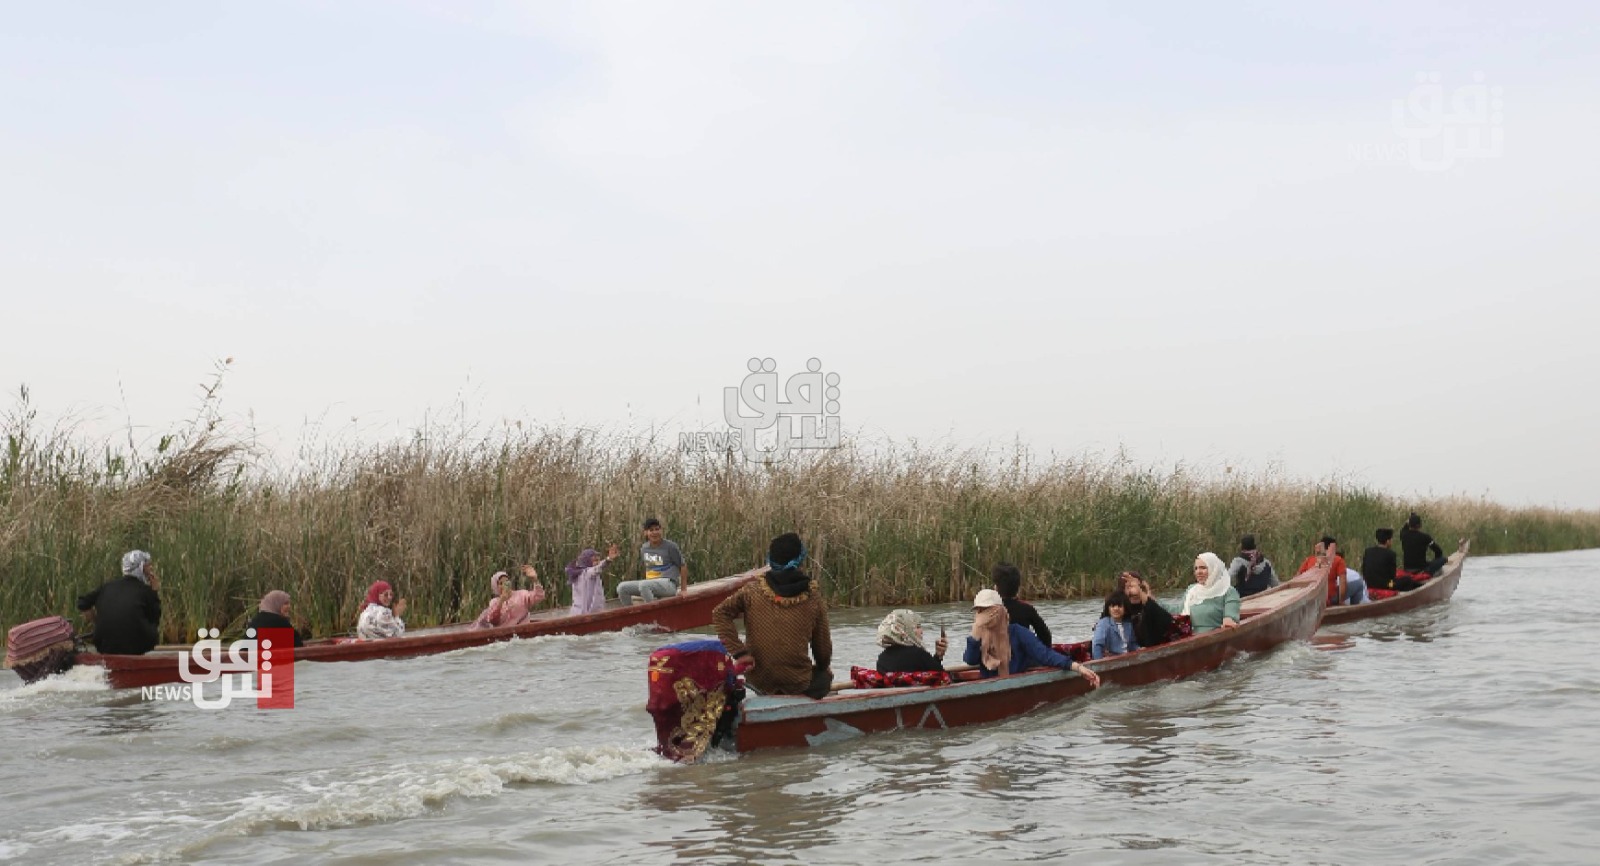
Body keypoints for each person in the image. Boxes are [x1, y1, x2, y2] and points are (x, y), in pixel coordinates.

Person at [712, 533, 832, 698]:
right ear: (800, 560)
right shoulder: (812, 597)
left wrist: (740, 653)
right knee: (824, 678)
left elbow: (720, 613)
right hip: (797, 681)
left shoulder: (751, 591)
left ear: (771, 560)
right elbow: (823, 650)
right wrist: (824, 668)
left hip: (757, 678)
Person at [963, 589, 1101, 686]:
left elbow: (1044, 654)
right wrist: (975, 634)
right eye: (979, 611)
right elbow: (970, 660)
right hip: (989, 685)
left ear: (998, 611)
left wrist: (1077, 667)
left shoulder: (1018, 633)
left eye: (987, 611)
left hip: (1014, 685)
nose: (983, 616)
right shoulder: (979, 636)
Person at [76, 550, 162, 655]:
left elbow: (82, 604)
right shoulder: (146, 591)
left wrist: (96, 622)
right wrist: (155, 592)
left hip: (103, 645)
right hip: (136, 647)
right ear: (141, 568)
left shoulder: (107, 587)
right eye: (149, 566)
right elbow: (155, 619)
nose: (151, 569)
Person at [617, 518, 688, 605]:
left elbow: (683, 566)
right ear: (646, 533)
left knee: (644, 585)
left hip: (668, 584)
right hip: (651, 583)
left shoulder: (670, 546)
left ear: (661, 530)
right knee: (622, 587)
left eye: (657, 529)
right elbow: (649, 568)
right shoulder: (644, 548)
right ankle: (630, 615)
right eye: (651, 530)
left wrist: (684, 590)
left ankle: (652, 614)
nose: (655, 533)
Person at [992, 562, 1052, 645]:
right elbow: (1046, 637)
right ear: (1018, 587)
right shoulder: (1027, 609)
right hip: (1021, 654)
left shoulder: (988, 610)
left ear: (996, 588)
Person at [875, 609, 949, 673]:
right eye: (917, 627)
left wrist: (938, 655)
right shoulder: (919, 655)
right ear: (905, 630)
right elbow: (942, 677)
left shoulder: (882, 659)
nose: (921, 631)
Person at [472, 565, 546, 629]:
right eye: (501, 583)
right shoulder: (494, 602)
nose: (505, 585)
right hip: (505, 636)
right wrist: (501, 601)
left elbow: (539, 596)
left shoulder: (522, 595)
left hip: (523, 632)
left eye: (506, 581)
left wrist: (535, 579)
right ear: (496, 587)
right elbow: (493, 620)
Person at [1182, 553, 1241, 632]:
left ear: (1214, 569)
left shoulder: (1228, 591)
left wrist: (1229, 619)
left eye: (1203, 568)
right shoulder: (1191, 590)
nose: (1198, 572)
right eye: (1196, 568)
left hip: (1213, 637)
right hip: (1189, 636)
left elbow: (1231, 613)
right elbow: (1180, 609)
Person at [1120, 571, 1176, 648]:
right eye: (1129, 587)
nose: (1133, 592)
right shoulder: (1118, 612)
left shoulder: (1152, 609)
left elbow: (1168, 622)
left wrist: (1144, 596)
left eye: (1135, 586)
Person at [566, 543, 620, 616]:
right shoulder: (587, 573)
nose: (597, 562)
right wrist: (608, 559)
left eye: (598, 560)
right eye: (595, 560)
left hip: (579, 612)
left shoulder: (578, 572)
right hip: (585, 613)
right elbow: (599, 568)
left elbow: (599, 566)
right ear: (586, 561)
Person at [1297, 536, 1348, 606]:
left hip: (1310, 598)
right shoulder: (1338, 560)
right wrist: (1341, 601)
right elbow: (1343, 582)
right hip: (1328, 600)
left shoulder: (1309, 560)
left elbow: (1297, 577)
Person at [1091, 589, 1139, 659]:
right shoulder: (1104, 623)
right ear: (1108, 608)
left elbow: (1132, 644)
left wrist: (1139, 649)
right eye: (1113, 606)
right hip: (1111, 660)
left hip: (1127, 658)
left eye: (1119, 606)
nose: (1116, 609)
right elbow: (1097, 645)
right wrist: (1100, 662)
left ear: (1125, 609)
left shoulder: (1128, 624)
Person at [1400, 512, 1447, 576]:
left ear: (1409, 524)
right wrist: (1435, 560)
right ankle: (1431, 572)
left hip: (1407, 569)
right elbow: (1438, 551)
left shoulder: (1403, 535)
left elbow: (1404, 527)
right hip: (1421, 569)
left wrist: (1410, 519)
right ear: (1420, 525)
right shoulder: (1425, 537)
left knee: (1429, 562)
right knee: (1443, 559)